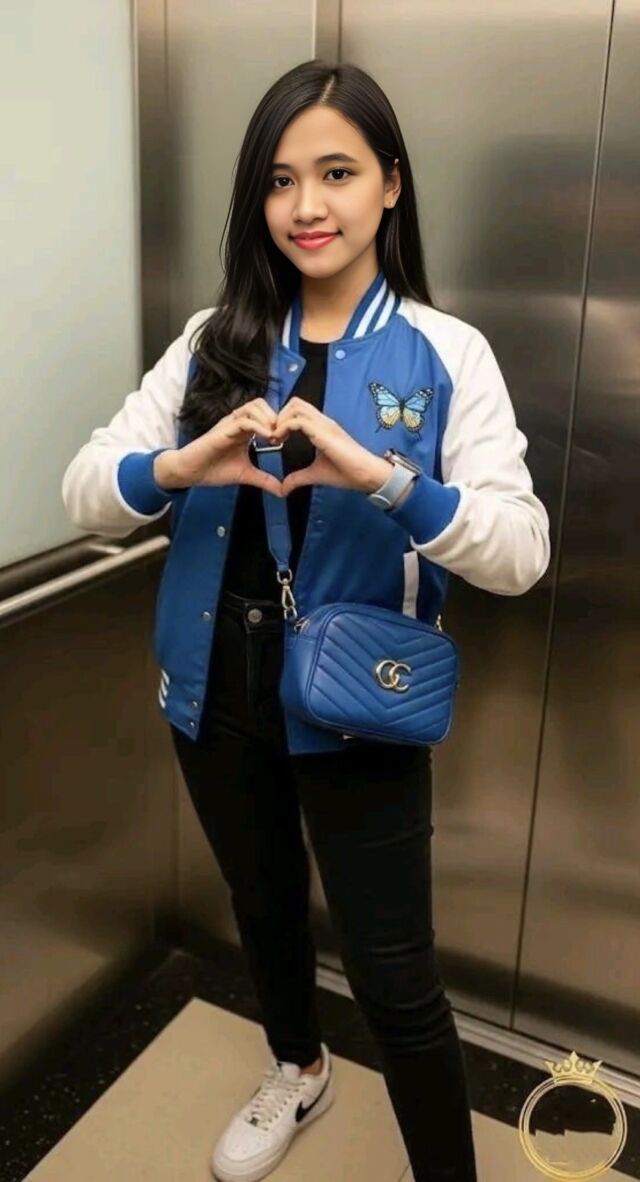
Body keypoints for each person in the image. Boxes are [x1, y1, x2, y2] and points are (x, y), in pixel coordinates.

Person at [62, 58, 550, 1182]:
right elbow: (86, 492)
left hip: (358, 702)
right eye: (280, 180)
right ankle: (297, 1064)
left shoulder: (446, 352)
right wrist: (178, 465)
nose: (306, 206)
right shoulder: (212, 339)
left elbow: (520, 552)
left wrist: (383, 478)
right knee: (264, 903)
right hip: (211, 687)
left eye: (337, 172)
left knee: (395, 975)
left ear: (391, 182)